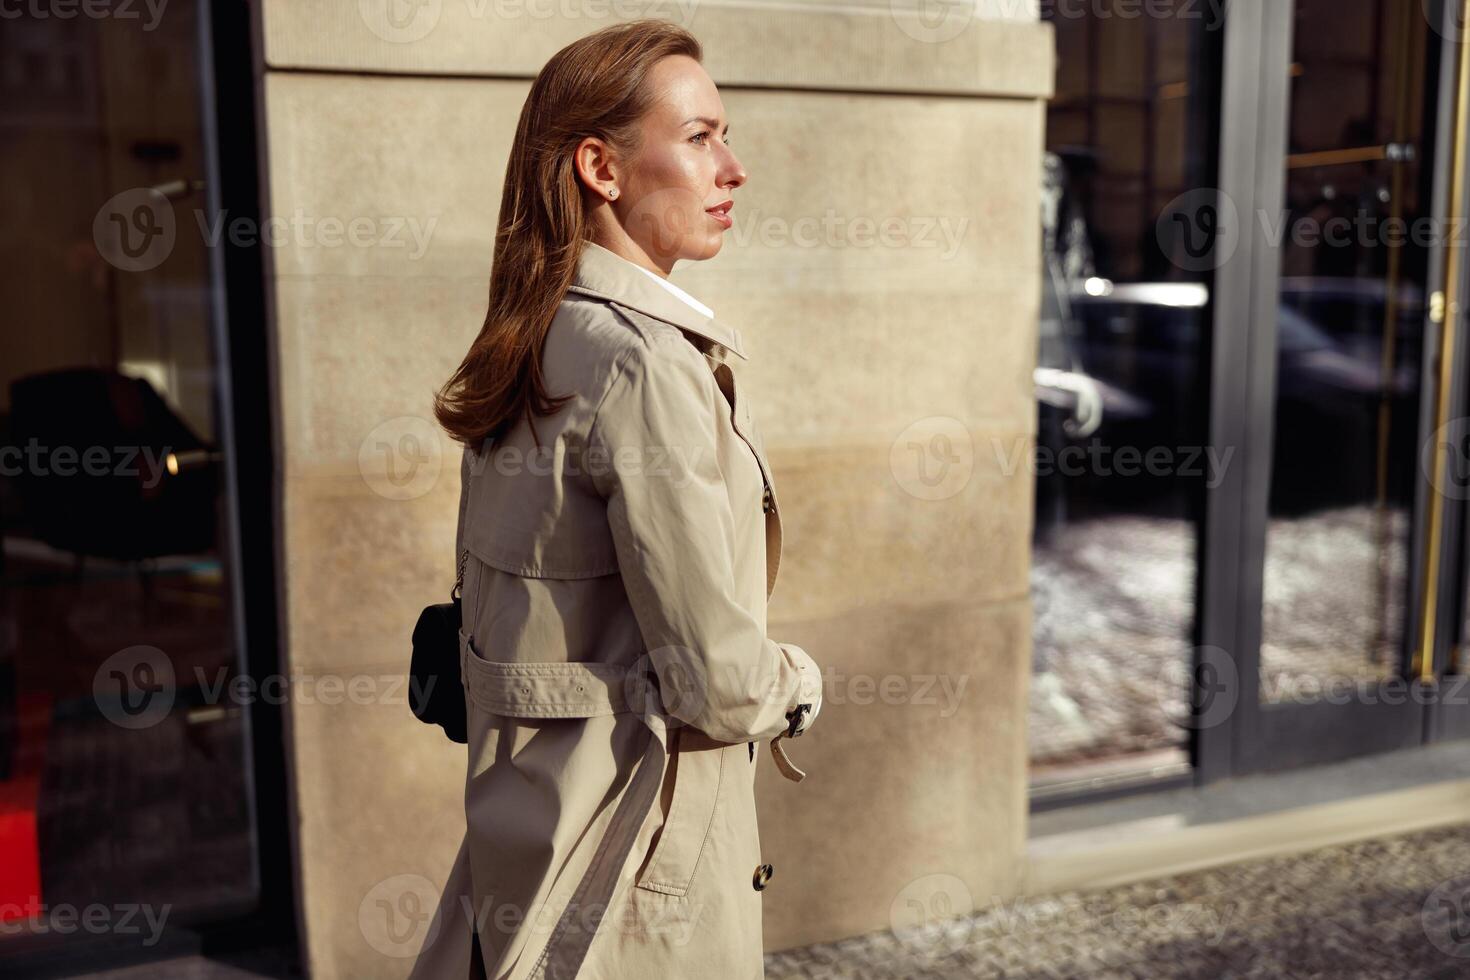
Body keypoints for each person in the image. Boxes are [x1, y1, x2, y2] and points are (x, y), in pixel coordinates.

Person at [408, 19, 824, 980]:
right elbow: (718, 685)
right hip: (632, 859)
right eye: (700, 136)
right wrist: (801, 682)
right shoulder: (641, 366)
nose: (734, 169)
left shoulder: (536, 338)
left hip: (526, 833)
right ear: (602, 167)